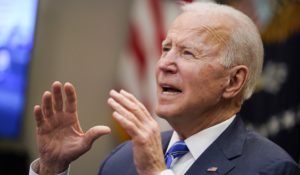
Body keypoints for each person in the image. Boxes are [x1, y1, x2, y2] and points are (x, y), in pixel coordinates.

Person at [29, 2, 300, 175]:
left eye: (188, 53)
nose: (164, 64)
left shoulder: (272, 168)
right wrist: (52, 170)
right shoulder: (121, 160)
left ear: (233, 82)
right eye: (166, 49)